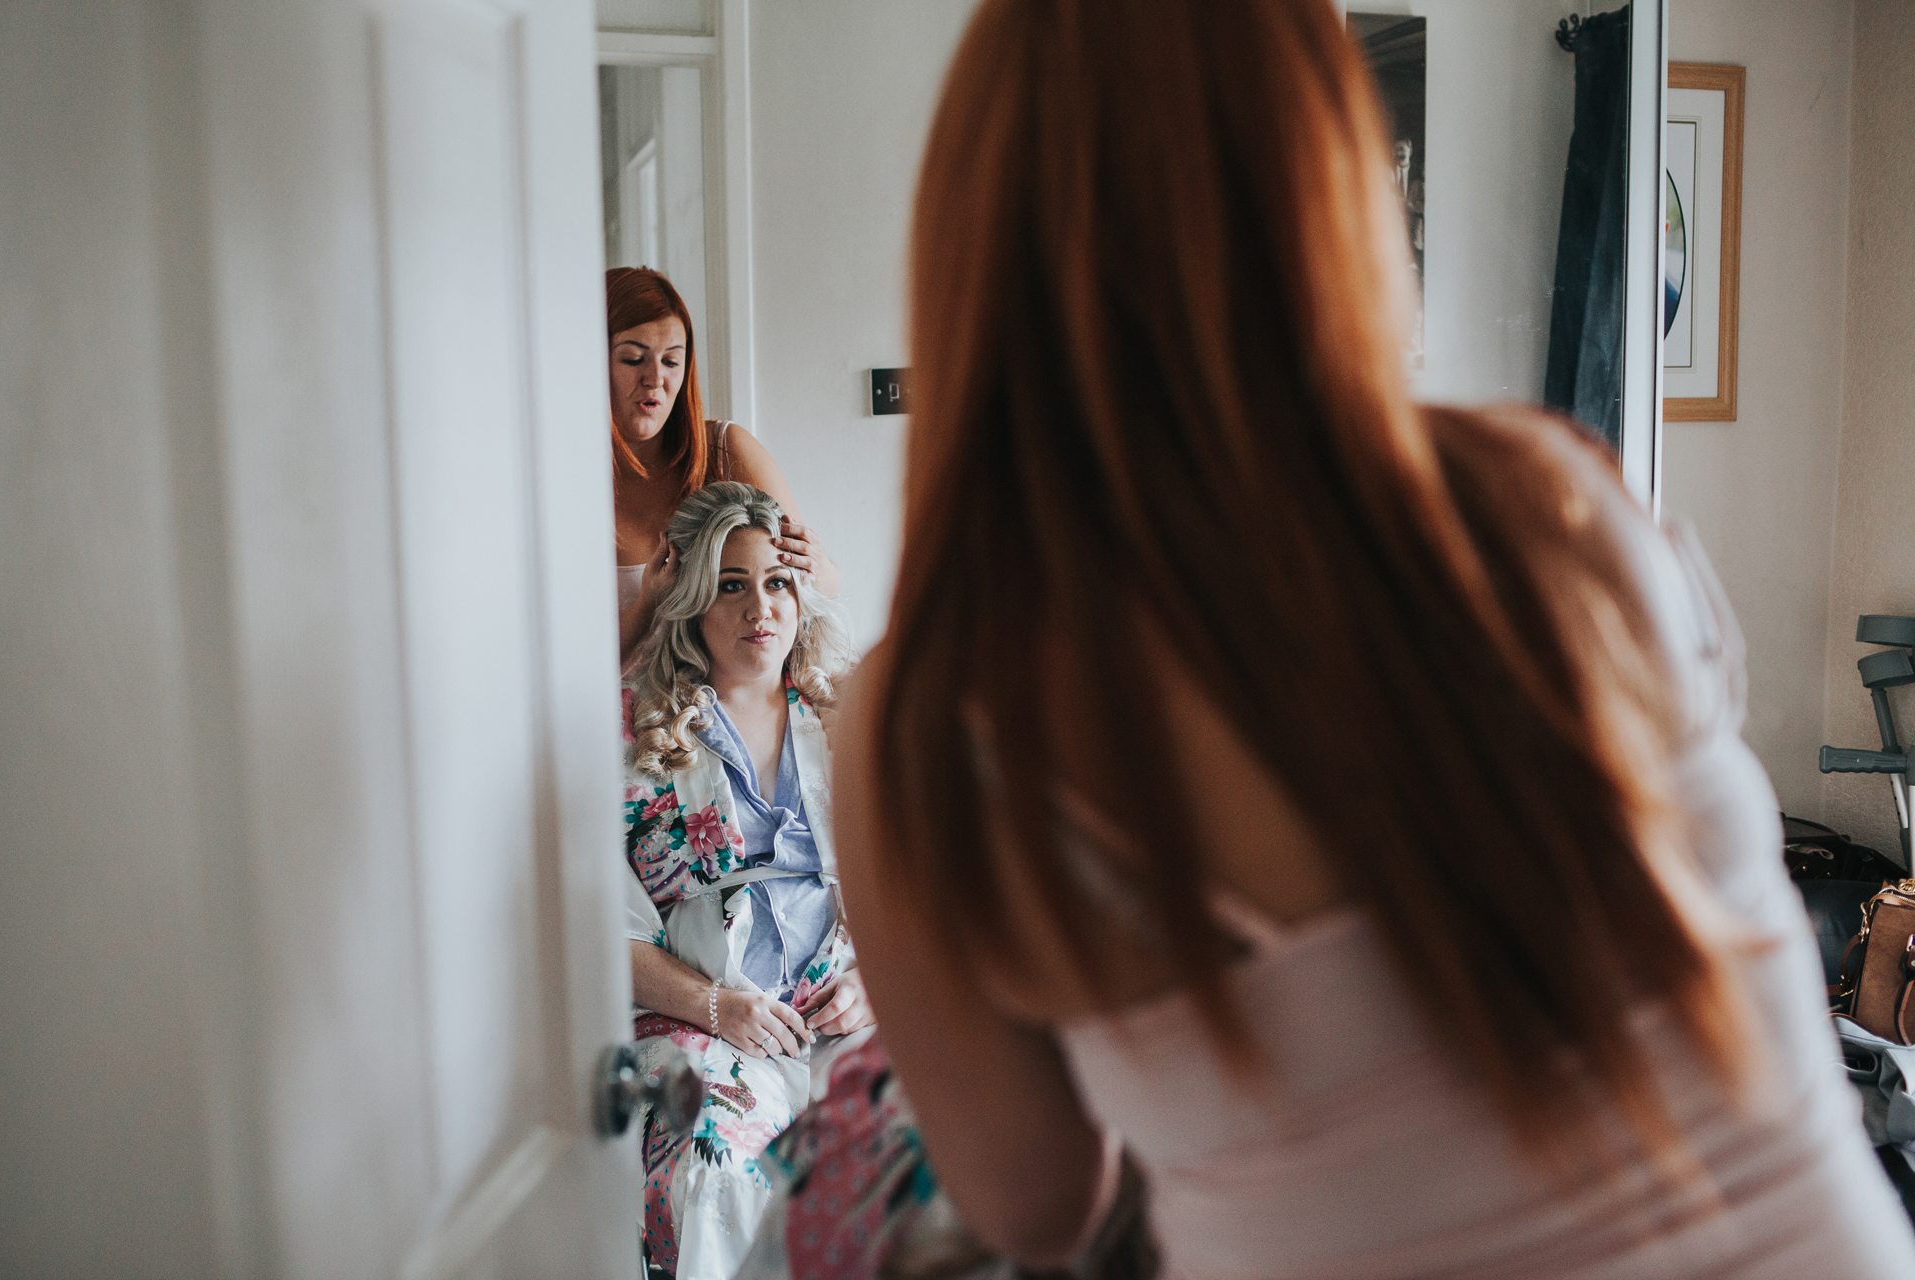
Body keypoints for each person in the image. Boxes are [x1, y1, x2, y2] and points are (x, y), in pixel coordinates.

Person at [830, 2, 1915, 1278]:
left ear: (975, 250)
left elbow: (1038, 1206)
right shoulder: (1556, 504)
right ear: (1336, 191)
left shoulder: (933, 718)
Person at [622, 482, 873, 1280]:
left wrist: (875, 980)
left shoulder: (852, 719)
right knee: (711, 1165)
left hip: (847, 1015)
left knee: (927, 1137)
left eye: (775, 581)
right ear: (693, 600)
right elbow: (597, 925)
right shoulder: (636, 729)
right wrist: (717, 1009)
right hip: (710, 1021)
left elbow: (929, 891)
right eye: (731, 584)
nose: (758, 606)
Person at [607, 268, 839, 666]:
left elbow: (817, 591)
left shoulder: (724, 451)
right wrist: (647, 606)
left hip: (713, 718)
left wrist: (817, 565)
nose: (655, 379)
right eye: (633, 359)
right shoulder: (553, 479)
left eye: (671, 361)